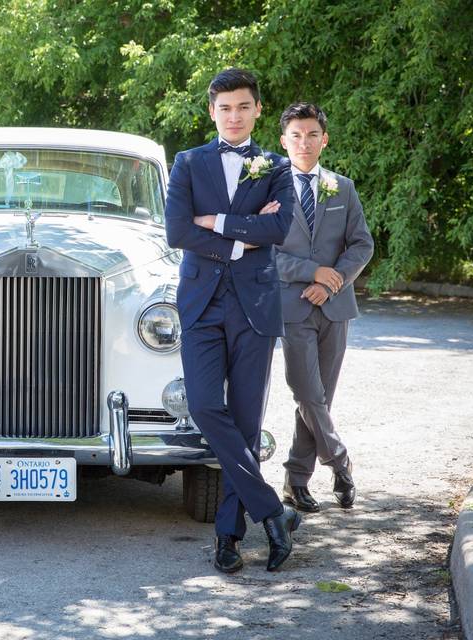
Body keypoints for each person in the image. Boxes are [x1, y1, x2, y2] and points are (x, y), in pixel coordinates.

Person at [164, 68, 298, 573]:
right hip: (201, 303)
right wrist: (246, 236)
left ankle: (228, 538)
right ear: (212, 111)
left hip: (254, 307)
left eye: (243, 107)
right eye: (225, 108)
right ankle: (273, 511)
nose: (234, 116)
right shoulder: (188, 162)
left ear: (257, 110)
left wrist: (217, 223)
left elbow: (280, 226)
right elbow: (178, 230)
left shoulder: (275, 165)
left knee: (245, 423)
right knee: (203, 406)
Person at [275, 102, 374, 512]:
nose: (304, 142)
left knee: (319, 398)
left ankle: (295, 482)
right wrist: (313, 272)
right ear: (283, 141)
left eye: (312, 134)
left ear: (324, 139)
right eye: (295, 135)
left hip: (336, 307)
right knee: (306, 391)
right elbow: (266, 253)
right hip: (293, 305)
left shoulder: (342, 188)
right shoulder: (268, 190)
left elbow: (362, 244)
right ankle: (340, 460)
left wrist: (332, 282)